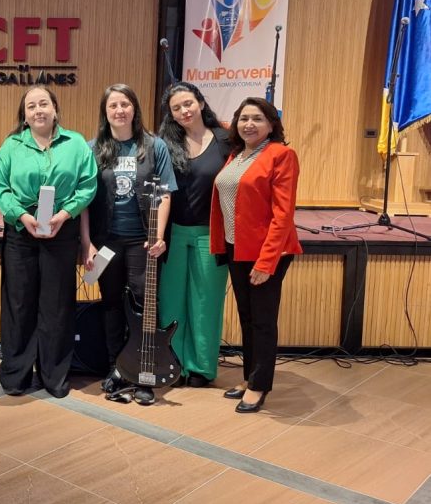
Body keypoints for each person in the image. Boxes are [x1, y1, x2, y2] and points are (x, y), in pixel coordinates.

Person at [0, 85, 97, 398]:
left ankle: (55, 376)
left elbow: (87, 186)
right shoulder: (12, 145)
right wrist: (22, 217)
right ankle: (17, 376)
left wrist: (65, 214)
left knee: (56, 306)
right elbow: (1, 189)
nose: (38, 110)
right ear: (24, 116)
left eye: (43, 104)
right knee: (19, 304)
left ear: (54, 109)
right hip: (21, 230)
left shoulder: (76, 143)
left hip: (61, 229)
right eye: (31, 106)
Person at [80, 83, 177, 406]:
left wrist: (158, 236)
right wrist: (87, 245)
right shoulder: (92, 148)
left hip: (142, 241)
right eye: (113, 106)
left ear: (134, 108)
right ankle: (117, 368)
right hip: (106, 241)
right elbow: (82, 200)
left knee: (143, 305)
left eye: (125, 104)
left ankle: (144, 371)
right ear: (105, 112)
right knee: (110, 304)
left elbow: (164, 194)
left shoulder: (154, 147)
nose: (119, 110)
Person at [210, 96, 301, 413]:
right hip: (237, 247)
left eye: (258, 119)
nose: (249, 124)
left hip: (267, 251)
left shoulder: (281, 155)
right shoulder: (236, 155)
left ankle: (260, 385)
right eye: (244, 118)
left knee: (262, 320)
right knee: (247, 317)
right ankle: (250, 376)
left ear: (272, 124)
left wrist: (267, 262)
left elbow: (283, 215)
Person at [157, 82, 231, 388]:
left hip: (210, 235)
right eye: (176, 108)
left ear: (200, 102)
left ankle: (201, 367)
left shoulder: (227, 140)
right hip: (173, 233)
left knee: (206, 302)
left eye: (188, 103)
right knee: (171, 300)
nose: (184, 111)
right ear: (171, 115)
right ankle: (173, 364)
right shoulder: (164, 144)